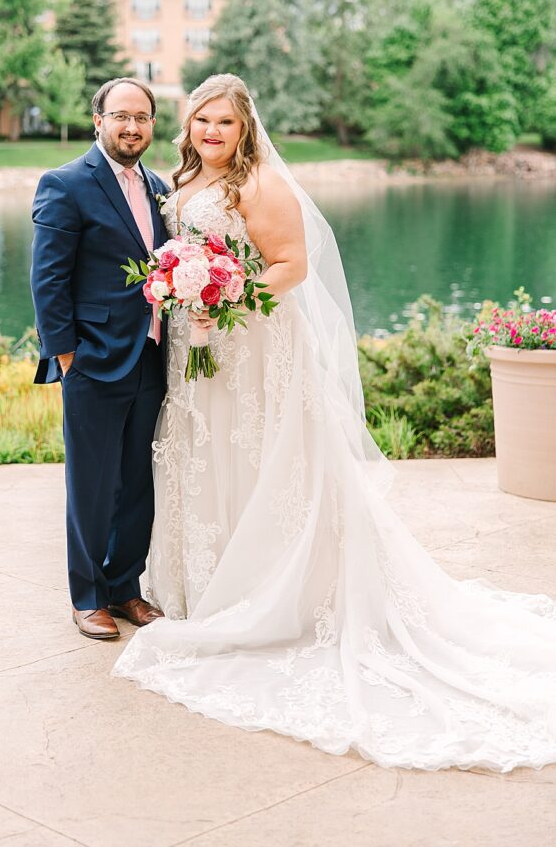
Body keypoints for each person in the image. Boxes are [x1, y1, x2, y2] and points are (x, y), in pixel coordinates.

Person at [113, 73, 556, 772]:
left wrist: (226, 293)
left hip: (252, 344)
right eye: (202, 121)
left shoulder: (258, 186)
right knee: (207, 454)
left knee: (258, 454)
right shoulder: (188, 179)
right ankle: (206, 587)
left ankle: (271, 593)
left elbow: (291, 264)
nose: (211, 133)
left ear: (245, 129)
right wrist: (179, 285)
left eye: (224, 124)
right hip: (202, 349)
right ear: (189, 125)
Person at [31, 78, 169, 640]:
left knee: (138, 481)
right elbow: (48, 280)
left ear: (152, 125)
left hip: (153, 358)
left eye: (142, 117)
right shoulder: (65, 184)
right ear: (98, 120)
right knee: (92, 483)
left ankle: (124, 587)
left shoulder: (160, 187)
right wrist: (67, 356)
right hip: (91, 360)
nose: (131, 126)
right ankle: (87, 597)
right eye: (120, 116)